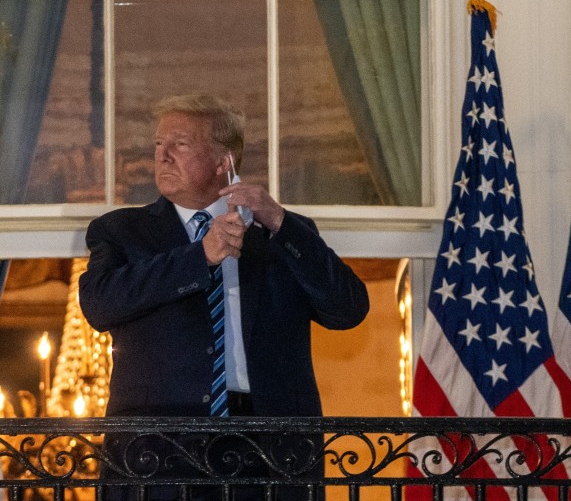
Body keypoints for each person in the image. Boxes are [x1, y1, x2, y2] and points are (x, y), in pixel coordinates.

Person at [79, 94, 370, 421]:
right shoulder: (120, 230)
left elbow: (348, 311)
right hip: (159, 446)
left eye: (181, 144)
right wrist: (198, 256)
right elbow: (98, 306)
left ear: (224, 163)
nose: (163, 155)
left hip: (270, 446)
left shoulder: (281, 232)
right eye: (159, 143)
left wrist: (280, 221)